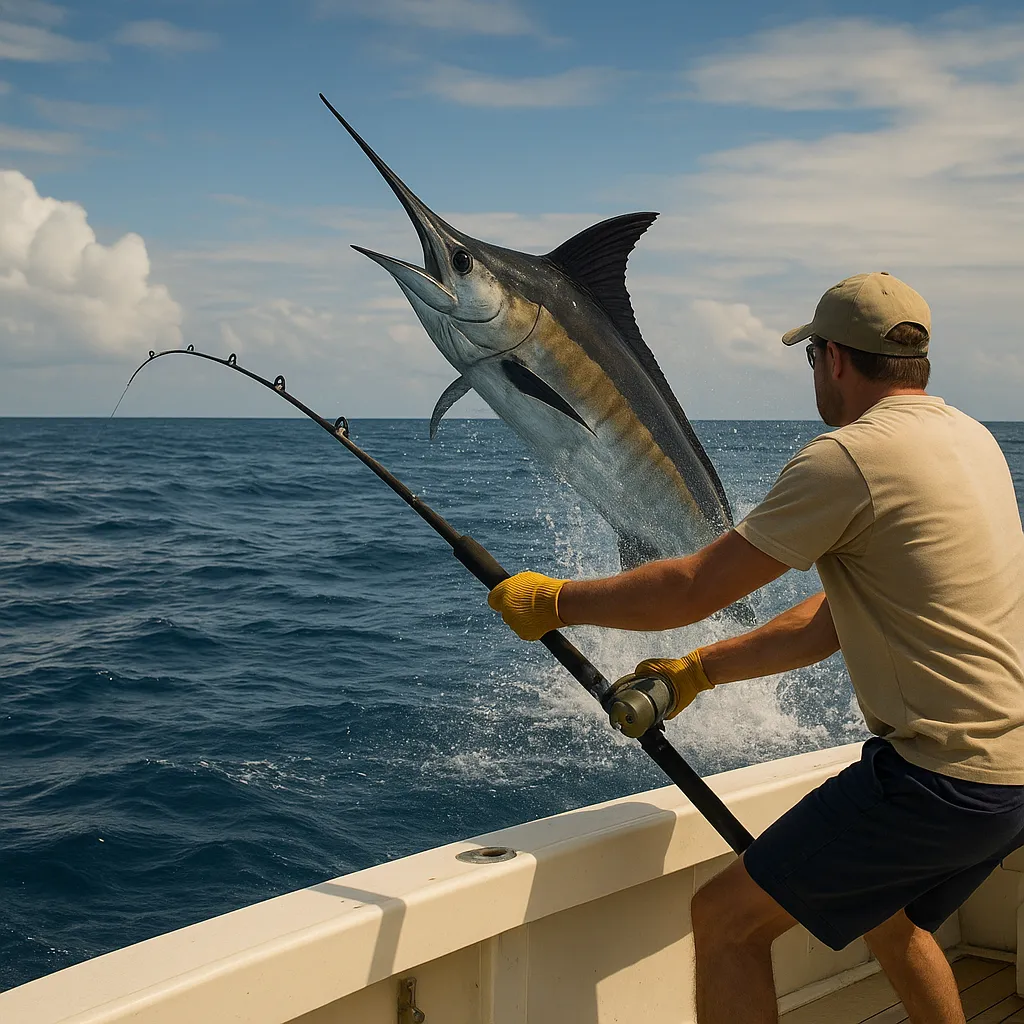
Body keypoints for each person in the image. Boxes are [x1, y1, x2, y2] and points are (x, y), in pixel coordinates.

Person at [487, 272, 1024, 1024]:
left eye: (811, 360)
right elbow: (830, 621)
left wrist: (553, 601)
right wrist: (697, 672)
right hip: (1009, 780)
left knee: (726, 920)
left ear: (834, 359)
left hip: (937, 782)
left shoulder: (850, 457)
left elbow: (689, 590)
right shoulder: (972, 441)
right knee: (892, 919)